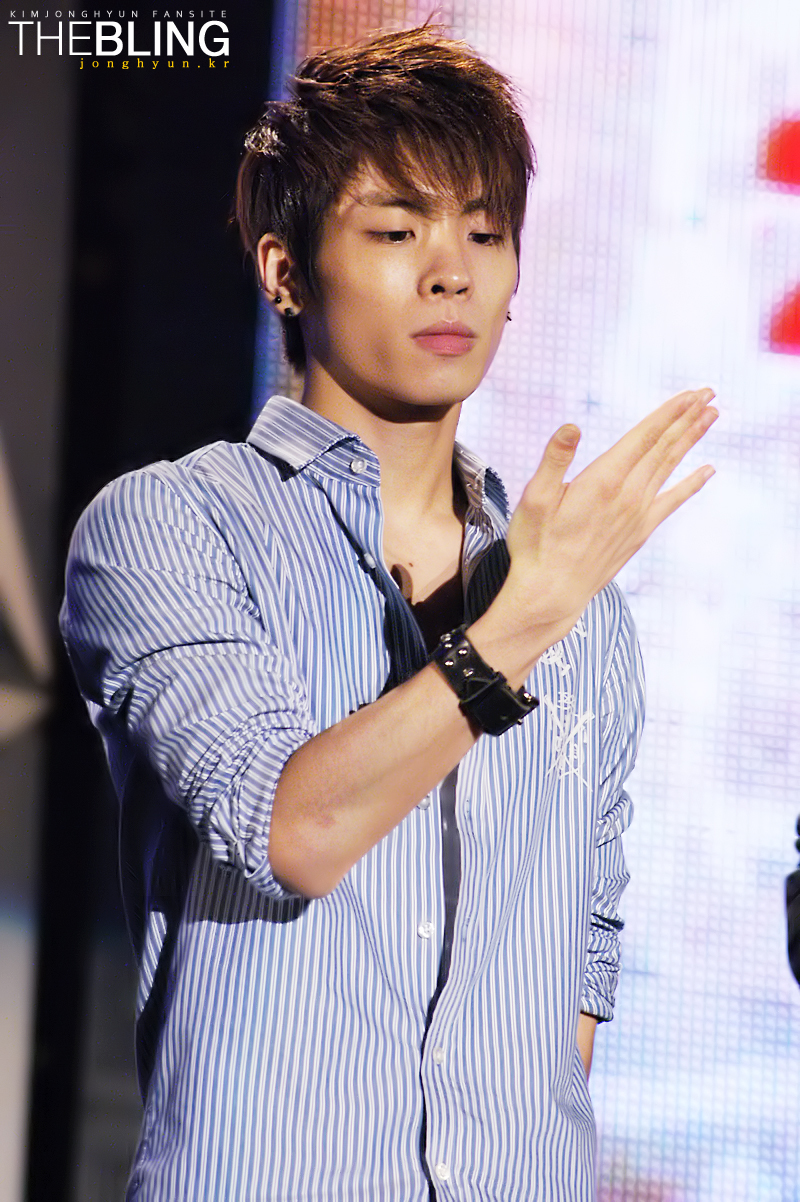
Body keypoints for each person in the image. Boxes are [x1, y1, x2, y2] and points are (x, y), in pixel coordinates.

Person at [60, 25, 717, 1201]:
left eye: (484, 232)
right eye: (397, 230)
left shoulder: (581, 603)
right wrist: (515, 626)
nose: (450, 271)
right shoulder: (171, 525)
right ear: (284, 270)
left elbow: (579, 966)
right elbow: (287, 830)